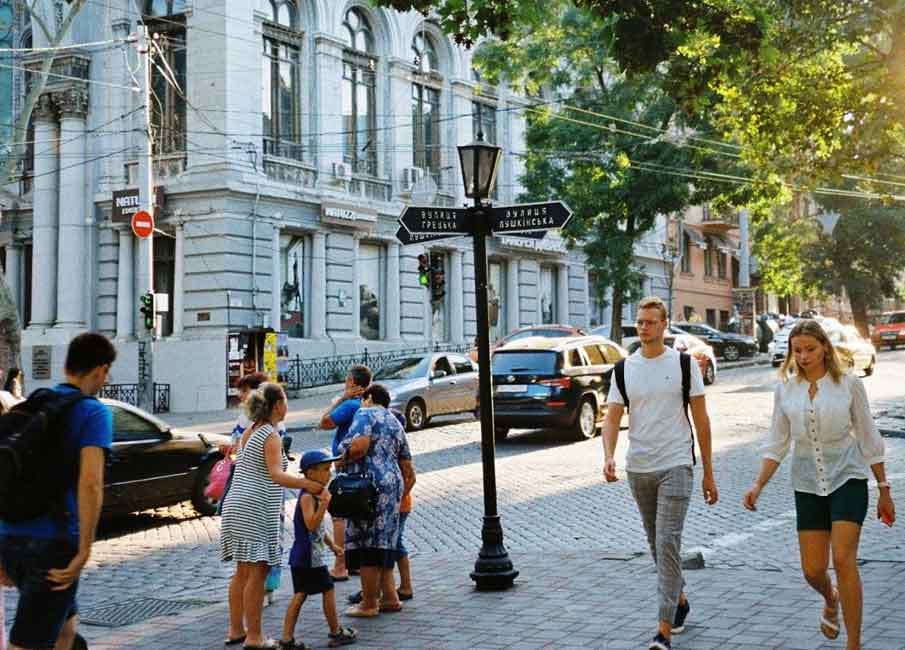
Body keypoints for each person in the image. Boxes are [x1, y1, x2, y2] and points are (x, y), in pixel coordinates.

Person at [743, 319, 895, 650]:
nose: (803, 356)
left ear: (824, 347)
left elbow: (869, 437)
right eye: (797, 351)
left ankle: (854, 644)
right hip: (807, 482)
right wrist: (758, 485)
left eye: (810, 349)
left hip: (848, 477)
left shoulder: (849, 384)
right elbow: (777, 442)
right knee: (813, 570)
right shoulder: (785, 387)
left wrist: (884, 488)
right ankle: (831, 598)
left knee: (843, 558)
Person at [602, 296, 719, 650]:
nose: (643, 327)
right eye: (640, 321)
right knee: (657, 546)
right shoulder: (624, 369)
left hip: (676, 464)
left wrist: (709, 473)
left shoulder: (684, 365)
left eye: (651, 321)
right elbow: (611, 417)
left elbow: (701, 420)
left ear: (664, 325)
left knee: (668, 541)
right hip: (639, 468)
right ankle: (679, 601)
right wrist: (608, 455)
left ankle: (663, 631)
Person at [0, 332, 117, 650]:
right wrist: (84, 549)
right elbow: (91, 484)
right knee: (27, 644)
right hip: (53, 546)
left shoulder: (34, 405)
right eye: (107, 374)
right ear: (100, 370)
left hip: (10, 537)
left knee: (66, 630)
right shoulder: (93, 412)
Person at [221, 383, 327, 649]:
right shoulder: (271, 434)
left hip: (237, 503)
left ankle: (236, 629)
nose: (287, 405)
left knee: (242, 571)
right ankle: (255, 637)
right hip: (255, 506)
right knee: (258, 570)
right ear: (278, 405)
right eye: (286, 400)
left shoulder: (251, 430)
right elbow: (276, 475)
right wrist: (306, 484)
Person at [339, 384, 415, 618]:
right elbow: (408, 468)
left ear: (369, 398)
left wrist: (341, 458)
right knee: (384, 542)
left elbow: (360, 447)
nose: (361, 402)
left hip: (367, 488)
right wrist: (400, 493)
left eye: (363, 398)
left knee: (366, 545)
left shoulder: (365, 413)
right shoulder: (394, 420)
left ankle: (369, 603)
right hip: (392, 485)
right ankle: (390, 598)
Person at [280, 449, 357, 649]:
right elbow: (312, 525)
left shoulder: (314, 494)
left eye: (329, 469)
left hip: (306, 556)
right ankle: (335, 631)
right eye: (324, 469)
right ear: (310, 473)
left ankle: (288, 639)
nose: (329, 473)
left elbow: (319, 531)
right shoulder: (308, 497)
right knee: (324, 590)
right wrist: (324, 504)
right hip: (308, 557)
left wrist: (333, 546)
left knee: (302, 594)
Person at [319, 365, 372, 581]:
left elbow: (323, 422)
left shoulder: (350, 404)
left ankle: (340, 565)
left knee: (339, 513)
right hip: (362, 465)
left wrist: (341, 398)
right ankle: (356, 561)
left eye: (346, 381)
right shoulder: (366, 404)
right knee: (359, 513)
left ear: (351, 382)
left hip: (345, 464)